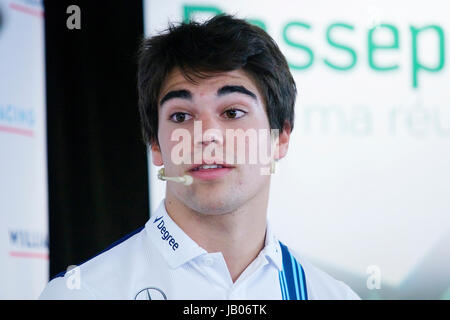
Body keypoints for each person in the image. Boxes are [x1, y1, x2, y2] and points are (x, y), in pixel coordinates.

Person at [39, 14, 360, 300]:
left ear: (281, 137)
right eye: (181, 116)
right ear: (155, 144)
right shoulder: (83, 293)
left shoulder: (332, 295)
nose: (207, 134)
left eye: (233, 112)